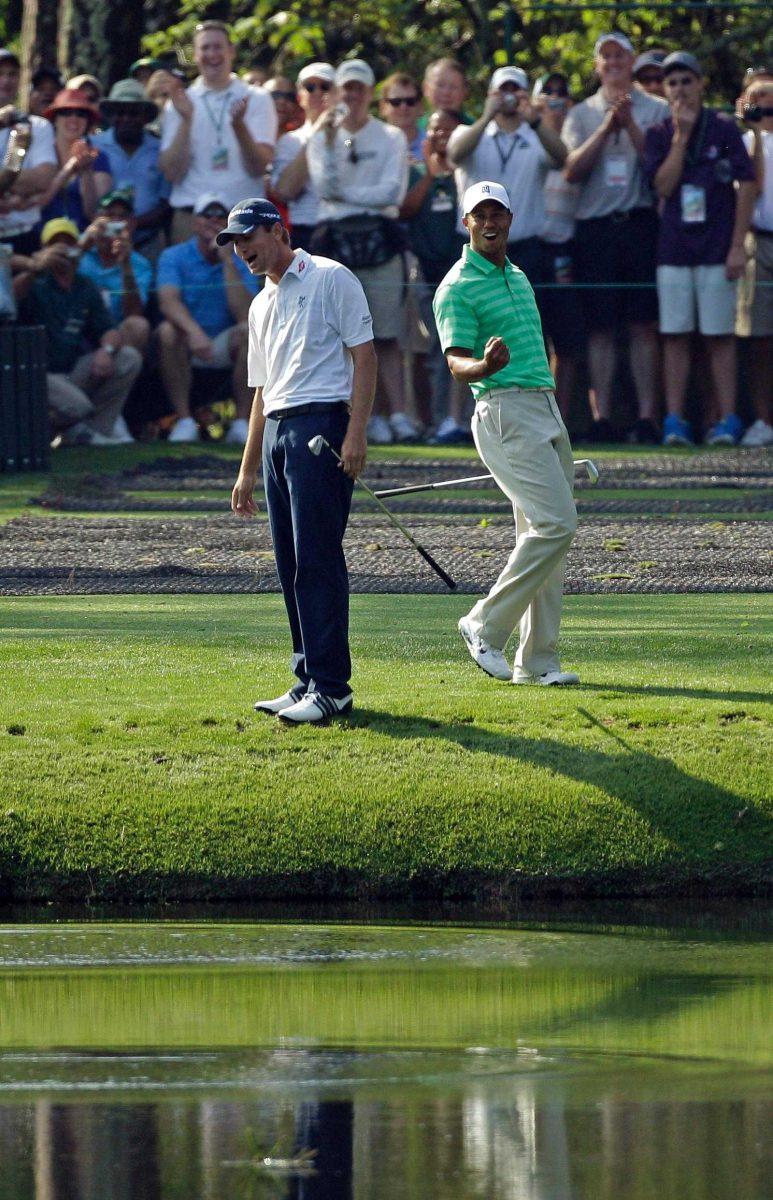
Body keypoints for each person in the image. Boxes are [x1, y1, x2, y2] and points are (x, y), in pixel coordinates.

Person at [225, 198, 377, 724]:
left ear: (279, 231)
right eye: (235, 242)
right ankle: (307, 677)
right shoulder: (260, 303)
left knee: (316, 557)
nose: (242, 249)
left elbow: (365, 356)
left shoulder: (332, 277)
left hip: (323, 427)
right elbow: (262, 393)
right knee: (289, 562)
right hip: (278, 434)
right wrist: (247, 468)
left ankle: (332, 686)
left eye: (248, 237)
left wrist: (356, 434)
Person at [433, 181, 579, 686]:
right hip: (502, 409)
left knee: (544, 538)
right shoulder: (456, 285)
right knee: (557, 525)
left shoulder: (517, 275)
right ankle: (483, 624)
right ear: (466, 222)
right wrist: (484, 365)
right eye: (480, 215)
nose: (490, 223)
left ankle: (537, 661)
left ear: (510, 220)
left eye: (498, 214)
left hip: (544, 406)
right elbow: (455, 362)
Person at [643, 52, 756, 445]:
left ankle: (727, 419)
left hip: (717, 249)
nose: (679, 89)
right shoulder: (658, 133)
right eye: (672, 83)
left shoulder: (724, 129)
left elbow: (748, 185)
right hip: (673, 251)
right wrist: (680, 138)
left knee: (719, 336)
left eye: (686, 81)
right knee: (675, 336)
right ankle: (675, 420)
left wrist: (738, 246)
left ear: (701, 84)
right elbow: (662, 187)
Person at [563, 32, 667, 443]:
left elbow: (660, 170)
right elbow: (572, 170)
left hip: (640, 223)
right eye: (605, 57)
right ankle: (601, 416)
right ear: (596, 65)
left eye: (620, 55)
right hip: (595, 229)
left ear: (632, 59)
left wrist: (633, 128)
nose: (613, 63)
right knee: (600, 327)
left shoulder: (656, 108)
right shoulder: (581, 112)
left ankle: (646, 417)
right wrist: (608, 127)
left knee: (643, 324)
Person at [306, 59, 412, 445]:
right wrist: (331, 139)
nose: (352, 95)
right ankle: (355, 415)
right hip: (335, 239)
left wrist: (350, 198)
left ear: (370, 93)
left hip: (380, 238)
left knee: (385, 332)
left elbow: (391, 194)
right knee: (341, 335)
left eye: (359, 88)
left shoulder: (391, 137)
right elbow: (325, 185)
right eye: (345, 88)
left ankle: (397, 413)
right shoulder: (322, 136)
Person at [14, 216, 142, 445]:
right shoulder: (35, 282)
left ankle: (92, 433)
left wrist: (107, 349)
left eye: (68, 242)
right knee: (78, 406)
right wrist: (35, 268)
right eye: (56, 243)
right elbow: (12, 298)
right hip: (36, 374)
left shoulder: (85, 286)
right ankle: (29, 435)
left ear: (78, 246)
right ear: (45, 249)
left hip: (71, 372)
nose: (63, 248)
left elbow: (109, 329)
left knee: (128, 358)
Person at [159, 19, 277, 244]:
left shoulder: (257, 98)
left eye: (218, 47)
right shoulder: (180, 101)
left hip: (244, 217)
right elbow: (171, 173)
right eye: (205, 48)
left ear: (231, 51)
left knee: (244, 280)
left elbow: (259, 168)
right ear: (195, 55)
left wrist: (239, 127)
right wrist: (186, 120)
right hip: (191, 215)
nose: (212, 54)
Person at [447, 66, 567, 285]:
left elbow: (561, 158)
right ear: (491, 95)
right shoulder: (469, 132)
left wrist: (535, 121)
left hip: (524, 248)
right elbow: (455, 155)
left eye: (515, 89)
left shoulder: (536, 136)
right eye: (503, 90)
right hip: (476, 246)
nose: (509, 95)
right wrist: (486, 117)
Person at [156, 192, 259, 444]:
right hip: (189, 339)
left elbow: (246, 313)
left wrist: (227, 260)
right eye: (206, 215)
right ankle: (184, 420)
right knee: (167, 331)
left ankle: (242, 422)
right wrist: (194, 333)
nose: (213, 221)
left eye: (220, 216)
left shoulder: (243, 258)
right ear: (194, 222)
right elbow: (167, 301)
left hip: (225, 341)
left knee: (251, 331)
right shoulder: (174, 256)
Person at [400, 108, 469, 442]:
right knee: (433, 348)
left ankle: (458, 419)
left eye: (448, 130)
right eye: (435, 129)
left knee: (461, 342)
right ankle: (434, 419)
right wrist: (429, 171)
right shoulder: (415, 173)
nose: (440, 135)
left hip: (460, 270)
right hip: (425, 272)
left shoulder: (467, 172)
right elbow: (406, 209)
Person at [533, 70, 586, 423]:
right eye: (547, 91)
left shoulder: (577, 137)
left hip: (566, 249)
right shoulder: (526, 137)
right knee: (530, 341)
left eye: (561, 91)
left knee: (565, 342)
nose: (555, 97)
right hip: (530, 249)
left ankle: (559, 418)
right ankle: (534, 417)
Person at [94, 79, 170, 263]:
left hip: (147, 242)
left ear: (144, 116)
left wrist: (134, 223)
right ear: (111, 115)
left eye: (133, 112)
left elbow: (166, 201)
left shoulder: (160, 149)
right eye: (120, 112)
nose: (126, 118)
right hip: (102, 242)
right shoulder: (94, 146)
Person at [736, 69, 773, 446]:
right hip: (757, 242)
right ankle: (763, 419)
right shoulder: (744, 143)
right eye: (756, 103)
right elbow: (755, 184)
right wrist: (758, 132)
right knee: (759, 338)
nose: (765, 109)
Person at [78, 190, 152, 355]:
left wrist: (125, 265)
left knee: (138, 325)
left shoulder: (140, 265)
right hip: (76, 325)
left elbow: (134, 312)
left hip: (115, 332)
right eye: (109, 216)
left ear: (132, 224)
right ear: (96, 219)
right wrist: (84, 244)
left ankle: (117, 370)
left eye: (122, 217)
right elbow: (55, 274)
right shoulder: (80, 244)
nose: (116, 222)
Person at [271, 61, 335, 251]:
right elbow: (286, 191)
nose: (317, 92)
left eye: (325, 86)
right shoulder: (290, 142)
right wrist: (317, 133)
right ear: (300, 96)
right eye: (310, 87)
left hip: (345, 228)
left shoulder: (350, 139)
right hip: (307, 231)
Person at [0, 47, 57, 255]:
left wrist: (7, 182)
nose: (6, 80)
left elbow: (43, 179)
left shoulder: (36, 125)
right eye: (0, 74)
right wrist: (22, 189)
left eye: (12, 74)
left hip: (24, 235)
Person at [37, 87, 112, 232]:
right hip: (37, 239)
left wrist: (86, 172)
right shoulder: (39, 152)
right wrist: (70, 168)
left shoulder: (98, 157)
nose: (74, 119)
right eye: (66, 113)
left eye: (81, 114)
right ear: (55, 119)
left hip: (81, 240)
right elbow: (35, 205)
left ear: (87, 122)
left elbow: (93, 214)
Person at [379, 72, 424, 163]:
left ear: (420, 107)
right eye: (396, 102)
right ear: (383, 107)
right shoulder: (370, 145)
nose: (403, 107)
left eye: (410, 101)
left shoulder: (434, 145)